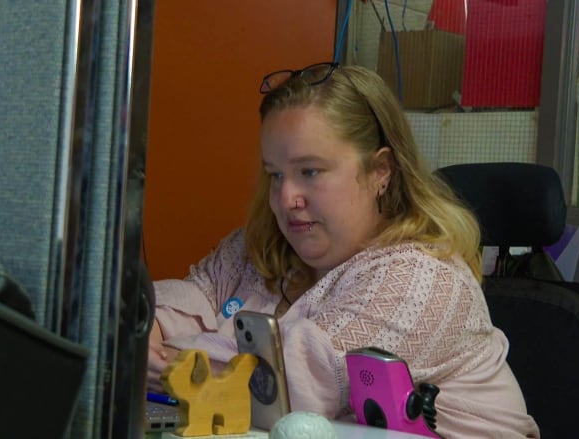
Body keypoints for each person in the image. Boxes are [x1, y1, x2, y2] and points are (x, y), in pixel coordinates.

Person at [148, 62, 540, 438]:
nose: (286, 199)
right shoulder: (258, 249)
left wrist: (152, 357)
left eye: (310, 172)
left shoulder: (423, 279)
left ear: (380, 171)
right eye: (275, 175)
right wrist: (149, 326)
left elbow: (284, 387)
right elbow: (180, 299)